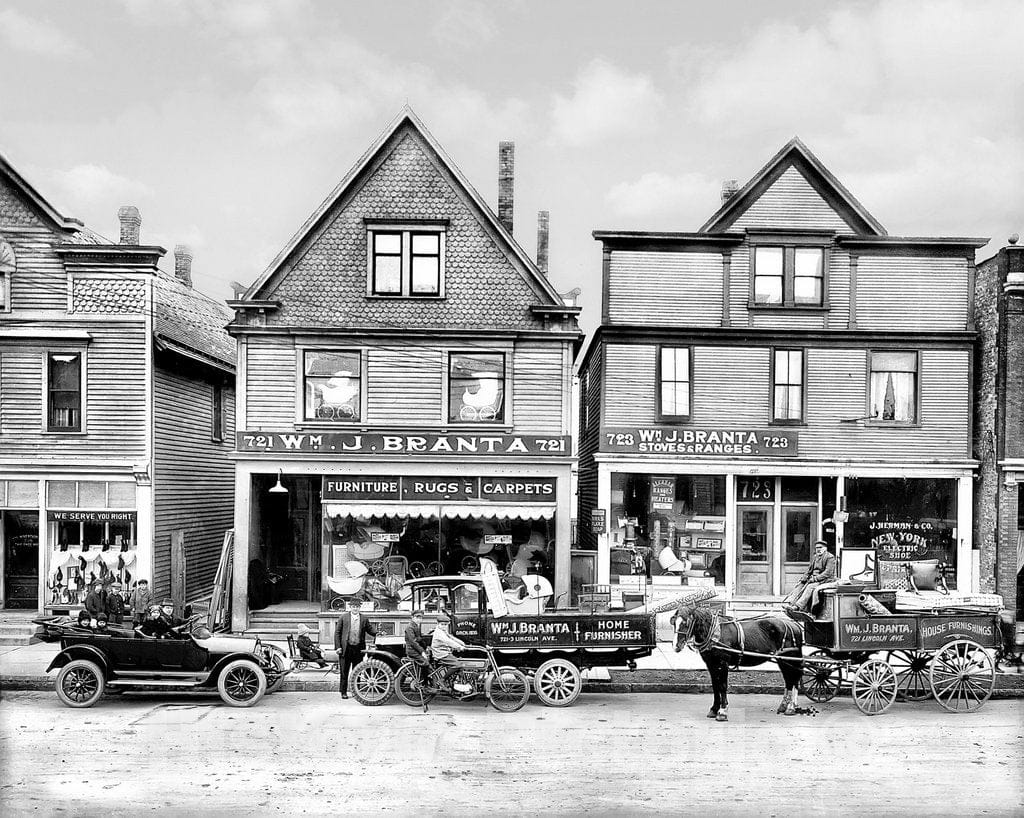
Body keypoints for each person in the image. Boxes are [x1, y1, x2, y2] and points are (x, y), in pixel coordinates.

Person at [334, 598, 376, 699]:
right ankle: (343, 692)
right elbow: (337, 633)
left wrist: (378, 633)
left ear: (359, 607)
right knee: (344, 672)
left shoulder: (364, 619)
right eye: (353, 607)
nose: (355, 608)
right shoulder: (343, 617)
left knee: (356, 671)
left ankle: (356, 691)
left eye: (357, 607)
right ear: (350, 607)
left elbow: (370, 630)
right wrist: (338, 647)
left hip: (358, 649)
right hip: (345, 649)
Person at [784, 541, 837, 614]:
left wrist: (815, 579)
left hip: (826, 580)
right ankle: (791, 603)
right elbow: (809, 570)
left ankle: (798, 606)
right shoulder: (815, 557)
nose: (818, 549)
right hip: (814, 579)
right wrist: (804, 578)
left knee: (810, 587)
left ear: (825, 548)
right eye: (816, 548)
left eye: (820, 547)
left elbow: (828, 573)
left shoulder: (830, 557)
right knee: (800, 585)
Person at [430, 613, 472, 694]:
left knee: (460, 665)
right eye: (442, 624)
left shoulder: (443, 631)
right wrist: (459, 647)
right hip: (441, 654)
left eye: (446, 625)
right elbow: (448, 641)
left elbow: (451, 637)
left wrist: (462, 644)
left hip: (445, 652)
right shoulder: (439, 633)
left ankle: (457, 684)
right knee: (458, 664)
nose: (444, 626)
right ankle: (442, 681)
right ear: (438, 624)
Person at [404, 609, 430, 683]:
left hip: (415, 649)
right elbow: (413, 642)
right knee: (425, 662)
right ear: (412, 617)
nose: (419, 619)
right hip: (412, 650)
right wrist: (422, 652)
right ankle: (425, 685)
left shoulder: (415, 626)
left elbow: (419, 639)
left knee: (429, 659)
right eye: (417, 617)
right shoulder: (409, 627)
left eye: (420, 618)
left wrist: (426, 648)